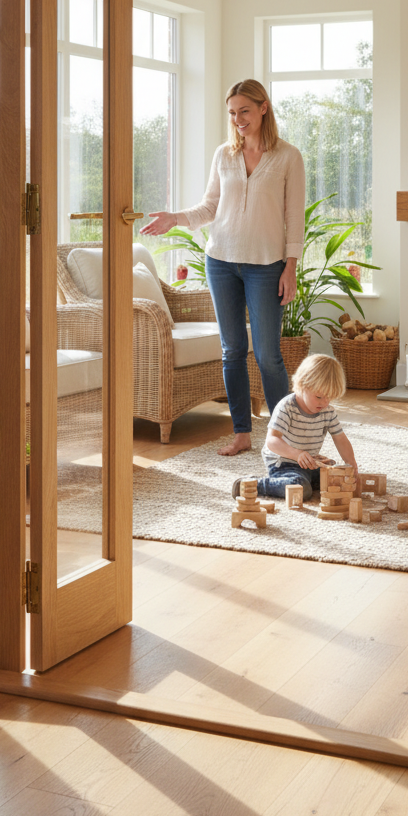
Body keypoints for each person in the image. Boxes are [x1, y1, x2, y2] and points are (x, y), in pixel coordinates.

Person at [141, 78, 305, 456]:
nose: (237, 120)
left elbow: (294, 218)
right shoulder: (224, 155)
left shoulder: (288, 157)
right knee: (232, 351)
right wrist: (176, 217)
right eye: (232, 113)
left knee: (267, 355)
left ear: (264, 107)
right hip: (221, 263)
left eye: (244, 111)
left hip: (267, 265)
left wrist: (290, 266)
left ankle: (285, 437)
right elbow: (210, 207)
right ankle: (242, 433)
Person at [241, 351, 358, 502]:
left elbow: (340, 438)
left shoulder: (327, 411)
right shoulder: (287, 407)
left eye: (329, 397)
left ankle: (308, 478)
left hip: (307, 463)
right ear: (303, 385)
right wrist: (296, 454)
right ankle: (253, 485)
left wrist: (352, 464)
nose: (324, 403)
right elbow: (272, 441)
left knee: (335, 477)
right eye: (319, 397)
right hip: (283, 462)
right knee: (301, 488)